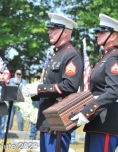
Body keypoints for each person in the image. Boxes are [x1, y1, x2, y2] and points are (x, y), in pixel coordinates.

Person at [71, 14, 118, 152]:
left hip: (105, 124)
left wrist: (88, 111)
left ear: (114, 35)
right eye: (98, 31)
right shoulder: (105, 57)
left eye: (102, 32)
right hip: (97, 123)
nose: (97, 34)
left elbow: (113, 92)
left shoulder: (114, 58)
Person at [27, 13, 83, 152]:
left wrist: (39, 89)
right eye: (50, 28)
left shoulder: (71, 55)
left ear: (65, 32)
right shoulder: (57, 54)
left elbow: (69, 86)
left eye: (54, 29)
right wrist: (34, 92)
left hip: (58, 120)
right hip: (47, 119)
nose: (49, 31)